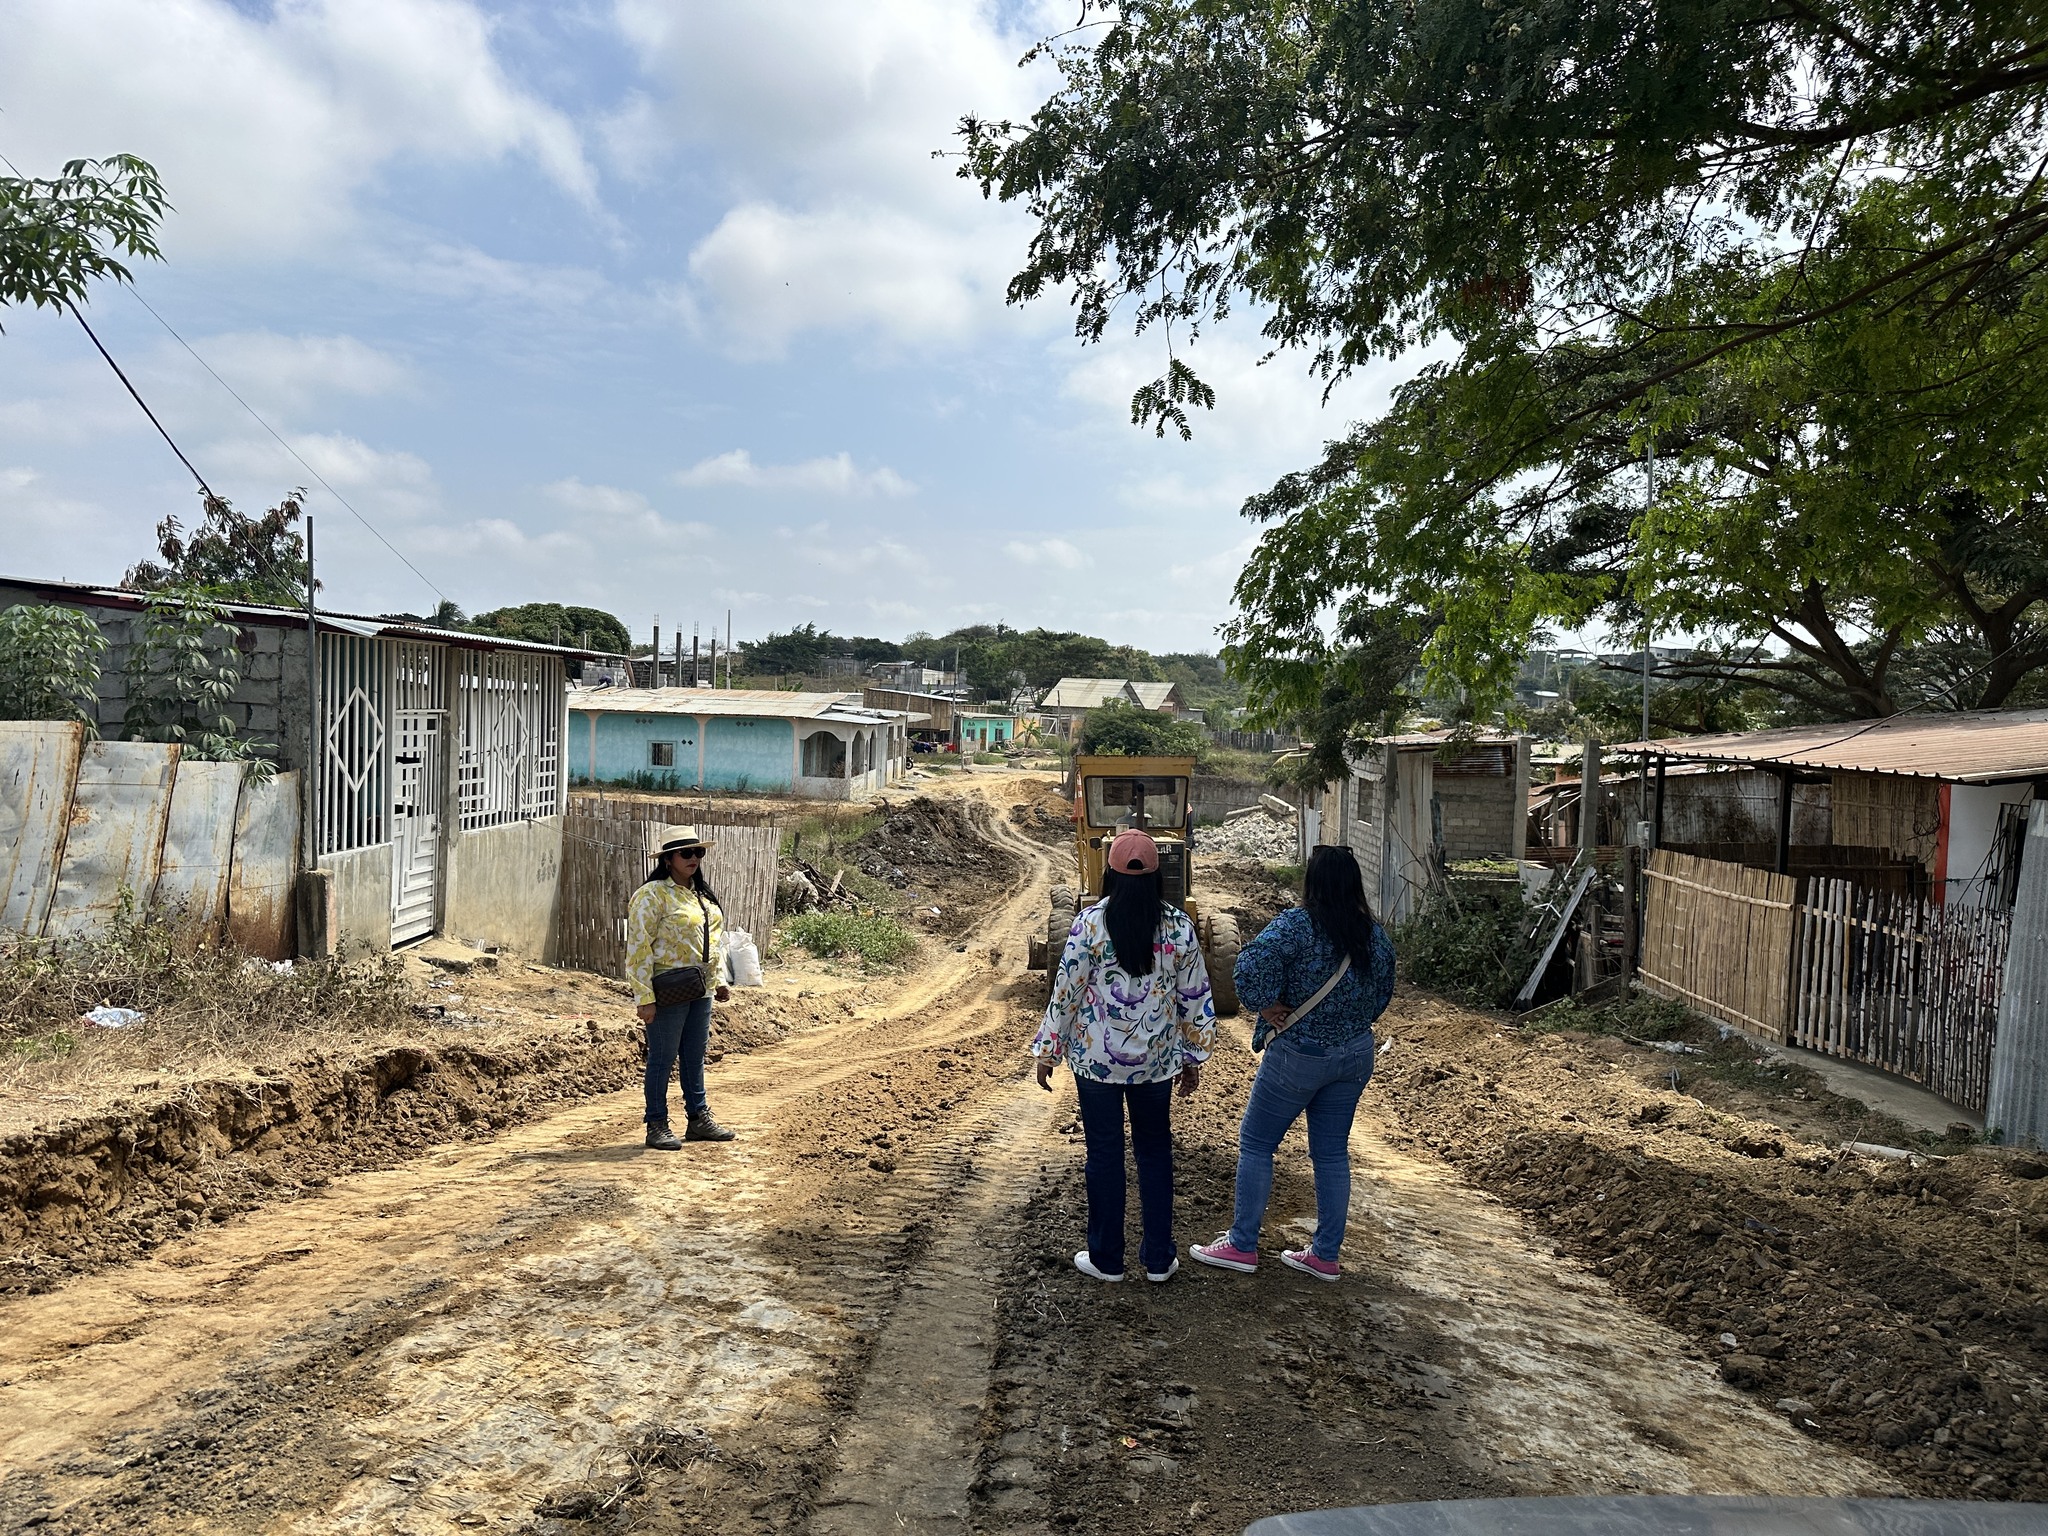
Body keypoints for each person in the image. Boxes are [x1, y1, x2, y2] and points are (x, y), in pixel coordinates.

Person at [1191, 844, 1396, 1282]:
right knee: (1331, 1153)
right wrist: (1348, 1022)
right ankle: (1325, 1256)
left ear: (1313, 882)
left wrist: (1265, 1005)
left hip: (1300, 1054)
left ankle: (1242, 1245)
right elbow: (1382, 995)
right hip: (1356, 1054)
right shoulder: (1374, 936)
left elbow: (1248, 966)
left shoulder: (1297, 925)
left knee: (1257, 1143)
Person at [1032, 829, 1215, 1283]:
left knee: (1104, 1154)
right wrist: (1192, 1057)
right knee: (1154, 1154)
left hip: (1097, 1064)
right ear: (1157, 877)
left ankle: (1106, 1260)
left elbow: (1066, 993)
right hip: (1155, 1064)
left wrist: (1048, 1052)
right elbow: (1194, 998)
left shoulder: (1089, 925)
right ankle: (1159, 1260)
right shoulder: (1179, 927)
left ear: (1109, 874)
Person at [625, 826, 736, 1149]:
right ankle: (656, 1123)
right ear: (668, 859)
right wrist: (644, 997)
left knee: (693, 1056)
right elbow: (638, 948)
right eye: (686, 853)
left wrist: (718, 981)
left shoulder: (701, 896)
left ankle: (698, 1118)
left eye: (698, 852)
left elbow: (712, 943)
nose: (694, 858)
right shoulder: (652, 895)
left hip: (700, 989)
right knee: (662, 1058)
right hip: (668, 989)